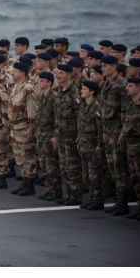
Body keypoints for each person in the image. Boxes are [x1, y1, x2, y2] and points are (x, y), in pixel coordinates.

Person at [100, 55, 130, 215]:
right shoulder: (106, 84)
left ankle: (123, 202)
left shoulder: (121, 85)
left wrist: (123, 134)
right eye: (102, 65)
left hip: (116, 130)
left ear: (114, 67)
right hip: (107, 131)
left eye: (106, 66)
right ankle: (119, 200)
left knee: (120, 167)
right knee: (112, 166)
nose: (103, 68)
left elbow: (126, 111)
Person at [119, 78, 140, 220]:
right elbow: (127, 123)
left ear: (138, 88)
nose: (127, 88)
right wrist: (122, 136)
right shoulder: (131, 104)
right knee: (135, 179)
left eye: (130, 86)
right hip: (130, 146)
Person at [52, 63, 83, 205]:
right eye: (58, 73)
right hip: (61, 135)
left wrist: (78, 135)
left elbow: (79, 116)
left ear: (69, 75)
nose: (58, 75)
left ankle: (75, 195)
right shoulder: (60, 91)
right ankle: (69, 193)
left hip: (71, 136)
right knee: (64, 166)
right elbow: (57, 116)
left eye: (62, 73)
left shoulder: (74, 93)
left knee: (72, 167)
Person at [8, 62, 38, 195]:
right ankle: (24, 182)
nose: (12, 73)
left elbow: (32, 110)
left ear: (22, 73)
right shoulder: (16, 87)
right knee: (19, 156)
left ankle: (30, 184)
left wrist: (31, 128)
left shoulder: (27, 88)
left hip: (24, 126)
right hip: (15, 127)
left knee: (27, 156)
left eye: (15, 71)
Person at [77, 80, 106, 210]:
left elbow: (100, 128)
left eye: (84, 89)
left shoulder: (96, 107)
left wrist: (99, 145)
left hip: (92, 145)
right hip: (83, 145)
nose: (81, 91)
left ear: (92, 92)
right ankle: (92, 198)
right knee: (86, 176)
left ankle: (98, 200)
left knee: (94, 175)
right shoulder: (83, 106)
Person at [34, 72, 61, 200]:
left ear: (49, 82)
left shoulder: (54, 97)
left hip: (49, 135)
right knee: (44, 164)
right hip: (41, 134)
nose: (40, 83)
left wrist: (55, 136)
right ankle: (49, 189)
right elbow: (38, 117)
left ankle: (56, 190)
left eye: (42, 81)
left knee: (52, 164)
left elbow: (57, 119)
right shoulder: (42, 97)